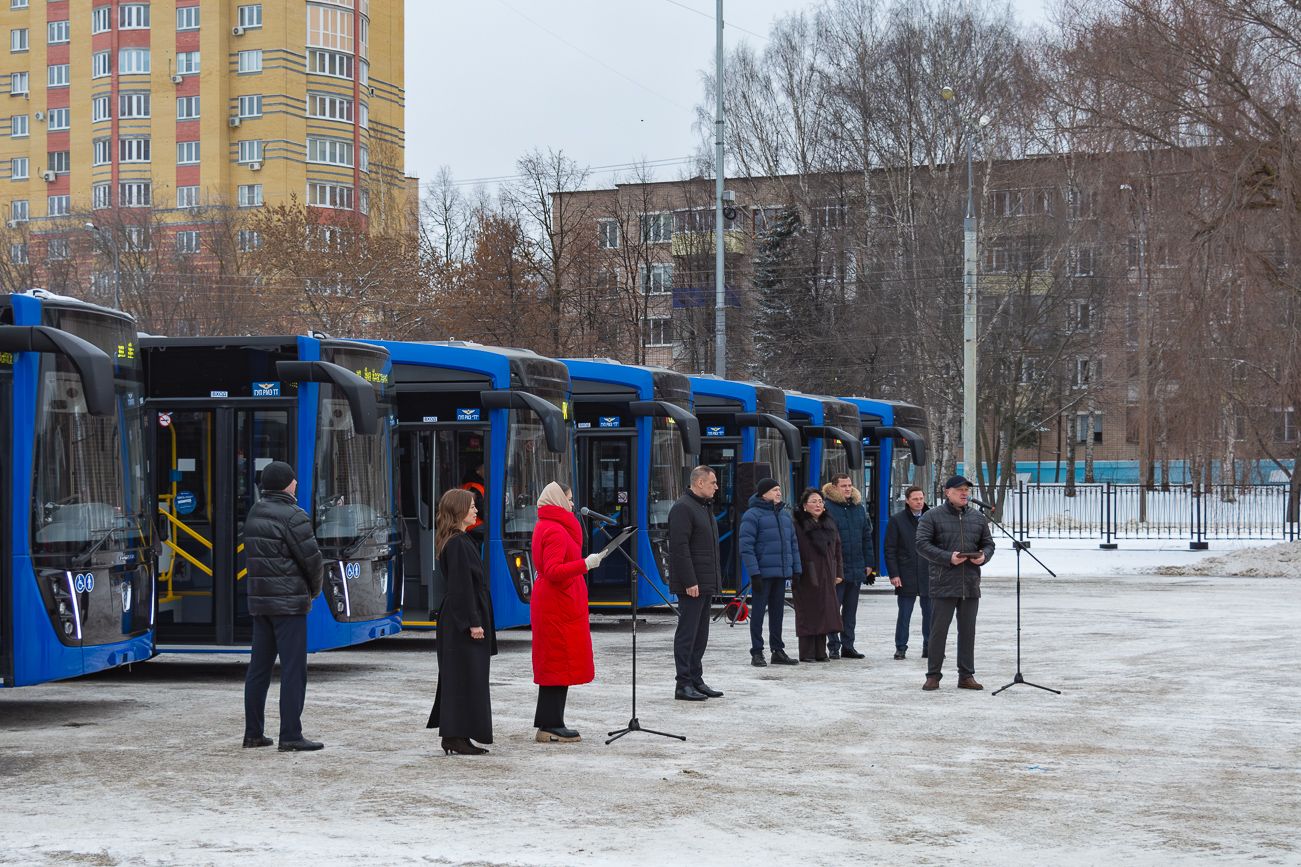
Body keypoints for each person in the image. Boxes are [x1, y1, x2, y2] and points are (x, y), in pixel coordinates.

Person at [243, 461, 325, 752]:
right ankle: (290, 734)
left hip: (261, 603)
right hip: (289, 605)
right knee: (292, 670)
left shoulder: (255, 512)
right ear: (290, 484)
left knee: (259, 669)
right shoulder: (293, 514)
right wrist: (313, 592)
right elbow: (313, 560)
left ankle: (253, 733)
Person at [530, 481, 608, 743]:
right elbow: (552, 571)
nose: (573, 504)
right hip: (557, 603)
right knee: (557, 662)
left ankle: (547, 720)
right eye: (570, 499)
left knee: (554, 661)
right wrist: (585, 564)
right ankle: (552, 725)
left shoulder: (549, 525)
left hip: (556, 601)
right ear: (558, 500)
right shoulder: (554, 530)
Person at [427, 488, 496, 754]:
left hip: (465, 615)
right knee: (464, 676)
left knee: (467, 676)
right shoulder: (456, 543)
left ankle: (460, 735)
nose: (476, 510)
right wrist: (472, 622)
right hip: (462, 620)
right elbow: (461, 586)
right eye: (471, 506)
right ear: (458, 510)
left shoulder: (461, 539)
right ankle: (455, 736)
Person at [915, 476, 995, 691]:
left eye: (967, 490)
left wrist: (983, 556)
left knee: (968, 631)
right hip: (943, 582)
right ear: (947, 492)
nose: (964, 493)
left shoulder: (978, 518)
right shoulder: (932, 516)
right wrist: (947, 557)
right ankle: (933, 676)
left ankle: (966, 676)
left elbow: (988, 544)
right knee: (938, 631)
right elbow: (921, 544)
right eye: (959, 489)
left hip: (969, 582)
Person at [667, 465, 724, 701]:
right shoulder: (683, 507)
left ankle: (695, 679)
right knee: (687, 634)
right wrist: (690, 581)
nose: (716, 487)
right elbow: (679, 548)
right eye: (713, 482)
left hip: (705, 582)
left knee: (701, 634)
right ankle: (683, 684)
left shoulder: (704, 507)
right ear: (699, 483)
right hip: (692, 584)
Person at [738, 477, 801, 667]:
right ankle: (757, 652)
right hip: (762, 575)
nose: (779, 493)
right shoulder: (752, 515)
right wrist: (754, 574)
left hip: (780, 574)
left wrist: (795, 571)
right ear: (763, 493)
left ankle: (778, 650)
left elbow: (793, 546)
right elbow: (746, 547)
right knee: (757, 614)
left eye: (779, 490)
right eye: (775, 490)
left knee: (777, 613)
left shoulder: (784, 516)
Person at [821, 473, 875, 660]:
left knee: (850, 611)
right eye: (843, 486)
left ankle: (848, 646)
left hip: (856, 565)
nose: (848, 489)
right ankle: (833, 646)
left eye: (850, 485)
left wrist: (869, 563)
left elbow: (866, 537)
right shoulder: (827, 508)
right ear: (834, 487)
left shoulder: (858, 508)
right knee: (834, 609)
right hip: (837, 568)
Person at [790, 487, 844, 663]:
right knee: (807, 612)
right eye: (814, 501)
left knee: (824, 612)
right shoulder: (797, 525)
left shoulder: (829, 523)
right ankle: (807, 653)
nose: (818, 504)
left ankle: (821, 652)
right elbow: (792, 550)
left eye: (820, 501)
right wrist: (793, 572)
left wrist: (838, 571)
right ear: (804, 506)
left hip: (828, 572)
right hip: (806, 573)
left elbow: (838, 548)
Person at [884, 485, 931, 660]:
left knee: (930, 614)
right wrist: (894, 574)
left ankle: (929, 646)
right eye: (915, 499)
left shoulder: (932, 518)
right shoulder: (897, 520)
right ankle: (901, 647)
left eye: (921, 498)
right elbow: (890, 549)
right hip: (905, 573)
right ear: (907, 500)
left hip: (928, 573)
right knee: (904, 614)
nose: (919, 502)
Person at [460, 461, 486, 543]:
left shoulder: (472, 485)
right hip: (474, 524)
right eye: (485, 469)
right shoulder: (475, 488)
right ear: (478, 472)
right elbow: (481, 510)